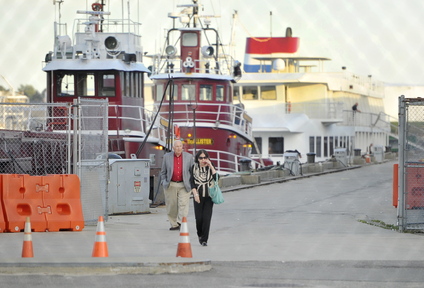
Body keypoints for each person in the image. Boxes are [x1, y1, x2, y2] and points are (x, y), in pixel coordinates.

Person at [160, 140, 194, 230]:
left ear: (182, 147)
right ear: (173, 148)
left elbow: (193, 171)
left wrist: (192, 183)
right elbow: (163, 172)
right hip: (171, 184)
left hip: (184, 184)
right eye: (177, 146)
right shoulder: (167, 157)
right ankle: (174, 224)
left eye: (180, 146)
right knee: (172, 205)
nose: (179, 148)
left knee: (183, 204)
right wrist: (163, 181)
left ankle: (180, 222)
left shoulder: (189, 157)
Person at [190, 149, 217, 246]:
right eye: (201, 158)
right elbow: (192, 182)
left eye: (205, 157)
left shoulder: (210, 167)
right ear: (197, 159)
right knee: (199, 218)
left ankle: (204, 239)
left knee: (207, 218)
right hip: (198, 195)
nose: (203, 160)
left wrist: (210, 165)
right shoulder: (194, 168)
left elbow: (217, 178)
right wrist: (195, 193)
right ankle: (200, 234)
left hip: (209, 196)